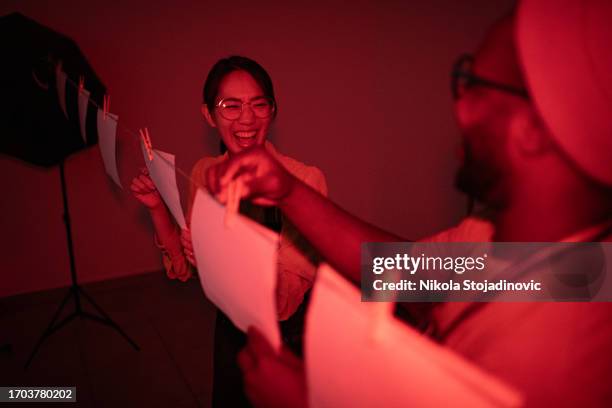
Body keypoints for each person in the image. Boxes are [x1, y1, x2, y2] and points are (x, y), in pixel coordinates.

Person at [205, 1, 612, 406]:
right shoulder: (500, 242)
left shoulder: (567, 354)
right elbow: (400, 271)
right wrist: (288, 193)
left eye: (473, 85)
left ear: (534, 129)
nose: (459, 107)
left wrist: (308, 402)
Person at [130, 56, 327, 407]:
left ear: (272, 111)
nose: (247, 119)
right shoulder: (205, 172)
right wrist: (158, 208)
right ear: (208, 114)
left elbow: (284, 302)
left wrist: (223, 257)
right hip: (231, 336)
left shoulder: (304, 180)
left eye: (258, 105)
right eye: (230, 106)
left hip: (288, 342)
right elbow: (184, 267)